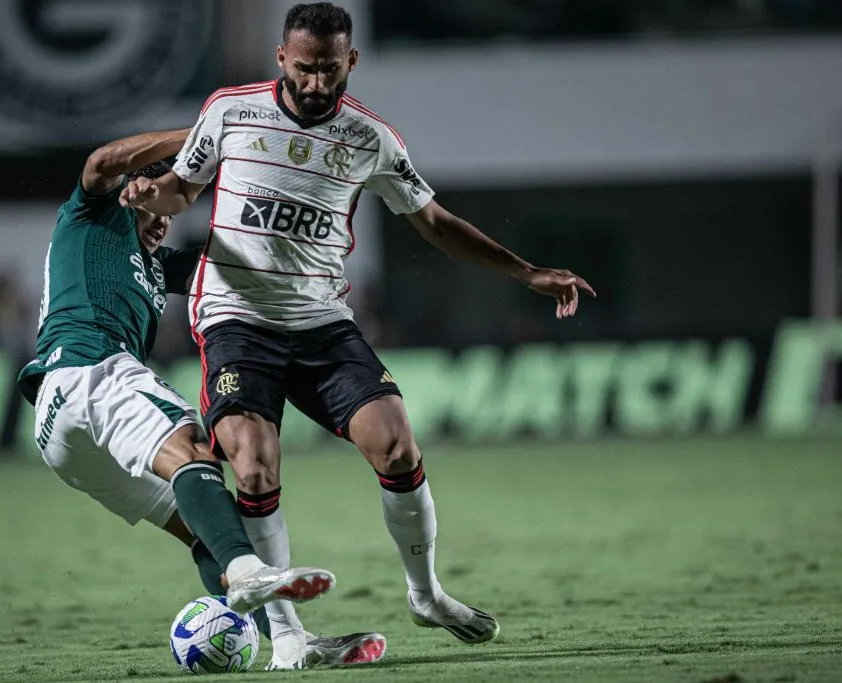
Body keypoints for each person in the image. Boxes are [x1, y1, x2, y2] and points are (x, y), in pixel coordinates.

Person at [122, 1, 594, 666]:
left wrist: (524, 272)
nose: (317, 84)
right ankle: (288, 634)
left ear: (352, 61)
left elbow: (433, 221)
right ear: (282, 59)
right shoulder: (230, 110)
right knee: (253, 463)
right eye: (305, 69)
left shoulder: (371, 139)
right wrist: (151, 191)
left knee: (396, 444)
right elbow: (181, 189)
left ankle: (426, 593)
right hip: (235, 318)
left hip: (321, 323)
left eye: (330, 70)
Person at [17, 127, 386, 668]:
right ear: (133, 190)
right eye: (161, 194)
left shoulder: (153, 264)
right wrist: (209, 133)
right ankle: (245, 575)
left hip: (63, 431)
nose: (167, 213)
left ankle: (289, 644)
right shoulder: (95, 217)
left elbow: (233, 257)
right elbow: (100, 161)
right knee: (195, 451)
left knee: (207, 528)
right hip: (88, 371)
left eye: (175, 204)